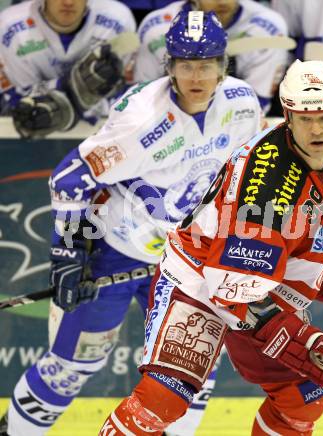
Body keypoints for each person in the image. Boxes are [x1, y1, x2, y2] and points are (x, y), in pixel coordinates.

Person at [0, 9, 263, 436]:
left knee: (190, 369)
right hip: (114, 255)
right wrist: (68, 251)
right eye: (185, 65)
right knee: (71, 367)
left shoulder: (242, 105)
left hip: (185, 262)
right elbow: (70, 179)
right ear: (170, 67)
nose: (196, 76)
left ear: (223, 66)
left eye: (207, 65)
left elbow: (249, 171)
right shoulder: (142, 120)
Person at [99, 57, 323, 435]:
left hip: (269, 280)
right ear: (287, 117)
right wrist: (298, 336)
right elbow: (232, 294)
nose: (316, 129)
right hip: (202, 280)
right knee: (163, 399)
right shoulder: (268, 185)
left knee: (304, 398)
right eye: (304, 118)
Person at [0, 0, 136, 138]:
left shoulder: (119, 21)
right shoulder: (9, 28)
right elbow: (23, 109)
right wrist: (77, 88)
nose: (69, 2)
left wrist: (67, 101)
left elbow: (125, 97)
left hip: (98, 137)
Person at [135, 0, 289, 114]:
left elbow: (256, 106)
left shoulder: (268, 27)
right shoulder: (156, 29)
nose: (222, 1)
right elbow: (142, 100)